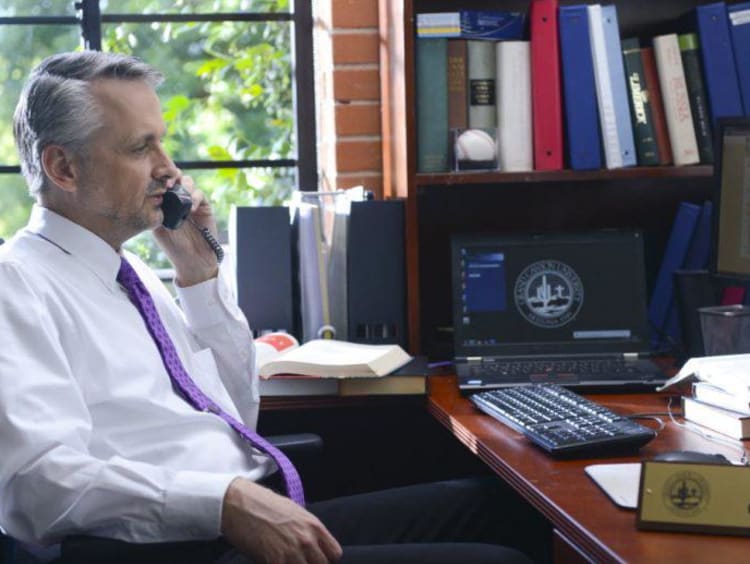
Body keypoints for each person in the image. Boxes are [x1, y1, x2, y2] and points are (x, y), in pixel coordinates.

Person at [0, 51, 550, 564]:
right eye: (141, 148)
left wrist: (200, 274)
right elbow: (37, 483)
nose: (169, 168)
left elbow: (237, 416)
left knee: (505, 508)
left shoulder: (132, 272)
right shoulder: (16, 285)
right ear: (64, 168)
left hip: (245, 511)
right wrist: (224, 502)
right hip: (185, 544)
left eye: (162, 143)